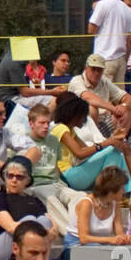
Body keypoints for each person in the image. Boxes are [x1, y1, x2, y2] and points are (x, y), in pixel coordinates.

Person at [20, 103, 93, 242]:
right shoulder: (21, 141)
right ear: (31, 123)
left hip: (55, 182)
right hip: (37, 184)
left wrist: (64, 184)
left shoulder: (53, 140)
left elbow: (56, 166)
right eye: (41, 123)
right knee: (51, 199)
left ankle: (82, 229)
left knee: (81, 196)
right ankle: (72, 235)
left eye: (48, 122)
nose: (46, 126)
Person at [51, 93, 131, 193]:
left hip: (74, 174)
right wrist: (107, 143)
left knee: (116, 152)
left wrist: (113, 138)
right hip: (67, 176)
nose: (84, 120)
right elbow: (80, 153)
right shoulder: (61, 129)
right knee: (112, 150)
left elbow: (87, 149)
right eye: (83, 116)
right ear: (75, 115)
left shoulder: (70, 130)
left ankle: (123, 190)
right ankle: (113, 190)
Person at [0, 156, 55, 260]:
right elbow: (11, 227)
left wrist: (52, 231)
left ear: (27, 180)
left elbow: (52, 224)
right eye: (10, 176)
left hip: (24, 243)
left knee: (44, 221)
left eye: (19, 177)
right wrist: (44, 234)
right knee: (29, 222)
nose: (14, 180)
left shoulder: (35, 201)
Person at [68, 53, 131, 138]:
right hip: (80, 125)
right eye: (93, 69)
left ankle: (120, 141)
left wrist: (124, 106)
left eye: (99, 70)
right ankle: (95, 142)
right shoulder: (77, 80)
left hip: (103, 123)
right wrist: (113, 108)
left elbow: (130, 98)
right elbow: (87, 97)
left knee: (128, 109)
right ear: (86, 68)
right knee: (92, 109)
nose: (96, 73)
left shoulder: (104, 82)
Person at [87, 0, 131, 84]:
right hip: (121, 58)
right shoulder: (127, 9)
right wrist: (125, 58)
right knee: (119, 96)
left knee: (102, 94)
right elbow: (130, 39)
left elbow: (91, 29)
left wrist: (94, 10)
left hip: (104, 58)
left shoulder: (102, 4)